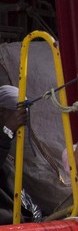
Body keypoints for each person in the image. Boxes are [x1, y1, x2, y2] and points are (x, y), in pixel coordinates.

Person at [0, 85, 42, 223]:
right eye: (19, 113)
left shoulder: (13, 145)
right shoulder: (5, 139)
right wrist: (7, 132)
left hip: (25, 221)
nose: (23, 120)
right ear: (2, 112)